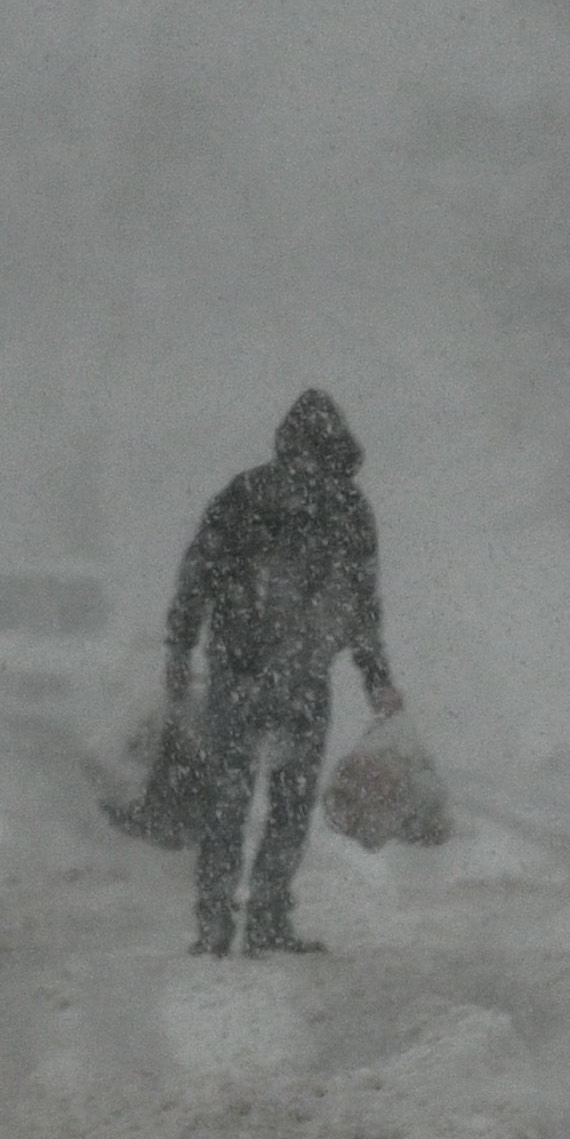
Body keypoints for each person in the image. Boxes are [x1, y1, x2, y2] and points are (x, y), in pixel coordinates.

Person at [162, 387, 402, 957]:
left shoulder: (242, 495)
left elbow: (197, 575)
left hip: (238, 672)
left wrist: (179, 647)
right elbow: (361, 606)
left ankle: (216, 921)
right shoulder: (347, 506)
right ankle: (268, 915)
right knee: (289, 801)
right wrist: (376, 680)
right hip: (300, 679)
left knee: (228, 797)